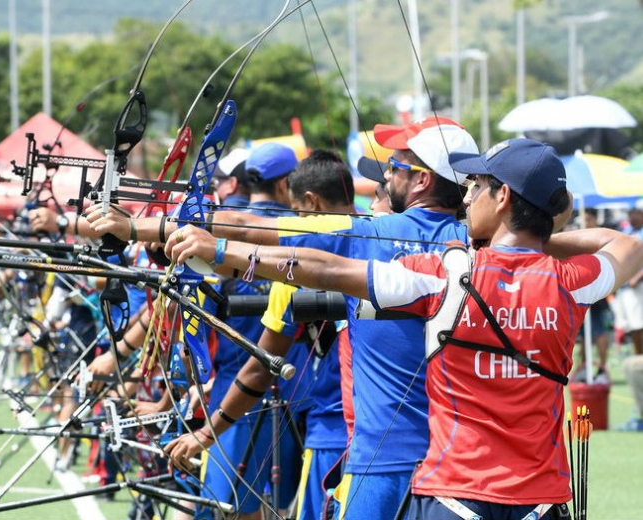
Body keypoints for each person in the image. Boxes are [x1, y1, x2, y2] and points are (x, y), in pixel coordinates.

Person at [164, 137, 643, 519]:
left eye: (478, 185)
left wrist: (221, 252)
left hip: (455, 497)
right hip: (541, 501)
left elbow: (325, 269)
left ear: (503, 198)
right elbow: (624, 245)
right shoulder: (574, 283)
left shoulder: (444, 273)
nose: (468, 195)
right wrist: (544, 239)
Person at [89, 116, 479, 520]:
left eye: (395, 168)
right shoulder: (480, 248)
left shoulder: (369, 235)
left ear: (422, 181)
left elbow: (245, 225)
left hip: (383, 459)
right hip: (458, 464)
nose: (387, 177)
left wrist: (134, 227)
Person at [167, 149, 355, 520]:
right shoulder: (390, 242)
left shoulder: (292, 250)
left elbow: (249, 363)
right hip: (315, 405)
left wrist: (204, 430)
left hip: (252, 395)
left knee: (231, 507)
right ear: (284, 184)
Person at [571, 208, 613, 384]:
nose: (585, 222)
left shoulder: (601, 238)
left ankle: (602, 368)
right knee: (584, 334)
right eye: (583, 219)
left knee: (599, 332)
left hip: (598, 293)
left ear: (595, 220)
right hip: (584, 290)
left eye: (588, 219)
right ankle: (583, 368)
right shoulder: (579, 237)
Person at [612, 208, 643, 356]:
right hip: (625, 286)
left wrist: (636, 277)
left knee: (638, 324)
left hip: (637, 285)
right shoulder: (626, 231)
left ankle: (640, 359)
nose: (631, 216)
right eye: (630, 213)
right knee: (631, 325)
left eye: (634, 213)